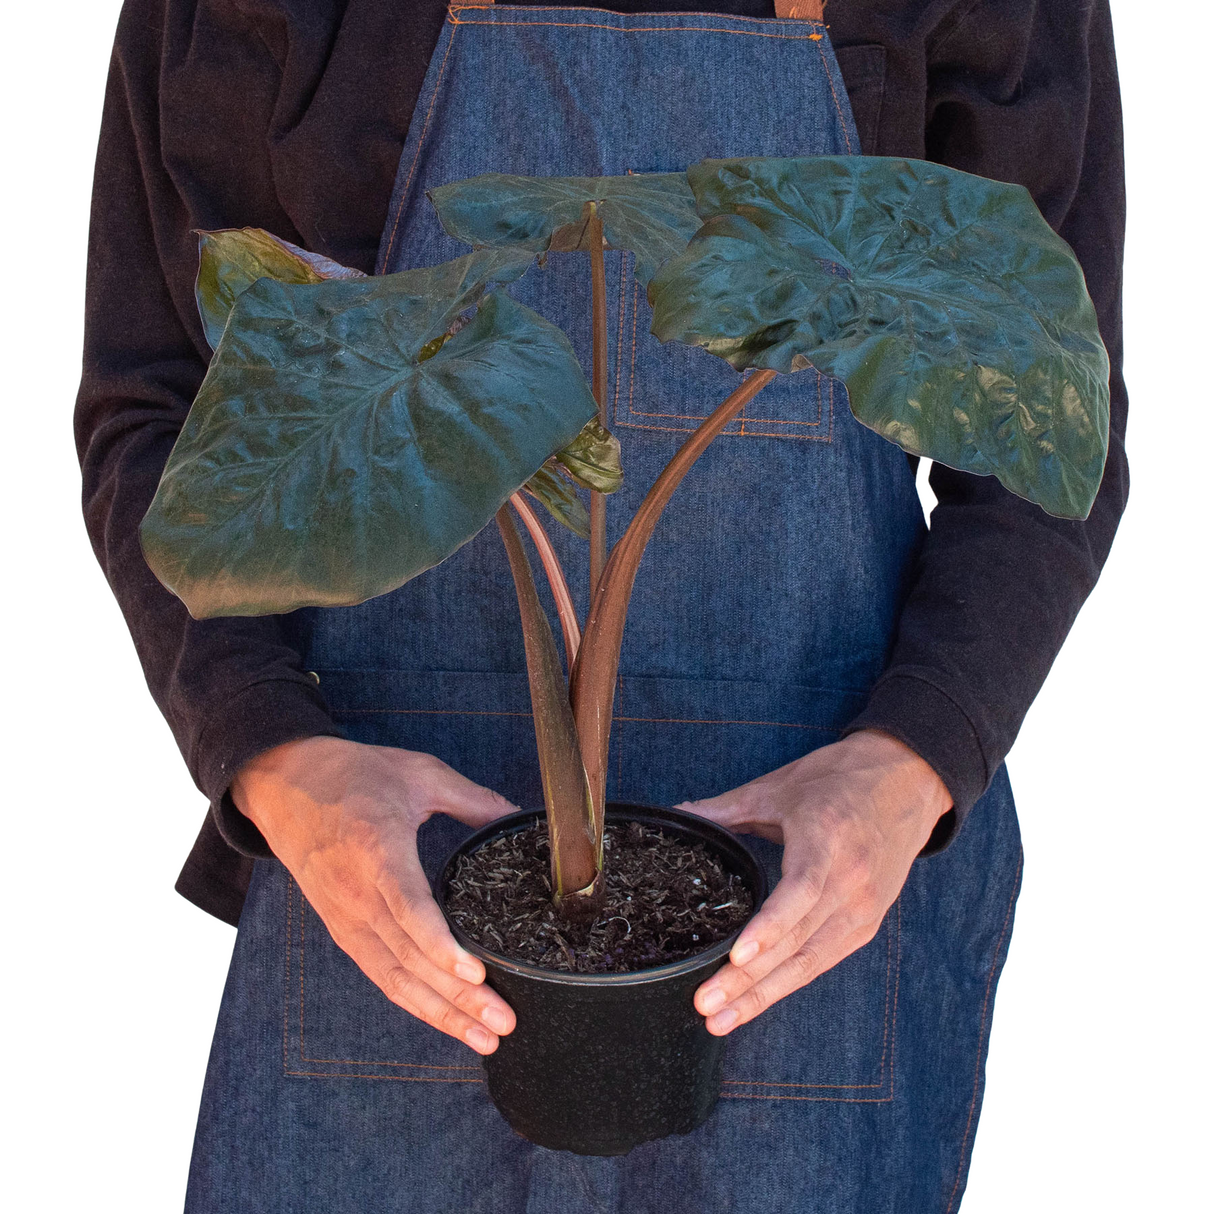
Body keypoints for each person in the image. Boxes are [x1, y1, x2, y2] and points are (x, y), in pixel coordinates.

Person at [75, 0, 1128, 1209]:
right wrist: (269, 749)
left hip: (812, 909)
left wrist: (911, 759)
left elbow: (1051, 411)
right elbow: (157, 402)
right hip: (386, 893)